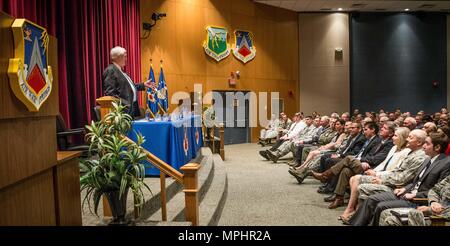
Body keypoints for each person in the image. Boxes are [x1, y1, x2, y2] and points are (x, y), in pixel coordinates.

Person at [103, 46, 150, 117]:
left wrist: (143, 85)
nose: (126, 59)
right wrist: (124, 104)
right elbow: (110, 94)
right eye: (124, 56)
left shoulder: (121, 71)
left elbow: (128, 88)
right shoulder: (111, 70)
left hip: (132, 108)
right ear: (118, 57)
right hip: (123, 111)